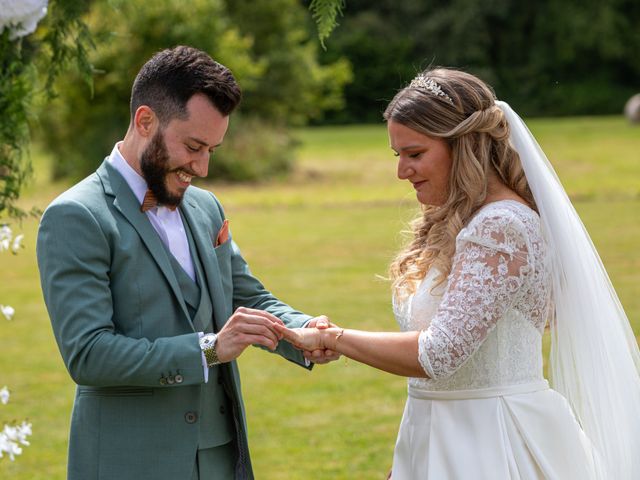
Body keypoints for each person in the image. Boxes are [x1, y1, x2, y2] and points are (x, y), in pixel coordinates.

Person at [277, 68, 640, 479]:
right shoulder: (459, 221)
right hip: (432, 428)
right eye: (398, 156)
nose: (402, 172)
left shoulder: (502, 226)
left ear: (464, 145)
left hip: (493, 439)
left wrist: (333, 338)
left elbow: (440, 353)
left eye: (415, 154)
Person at [36, 45, 337, 480]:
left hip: (218, 457)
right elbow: (88, 353)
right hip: (130, 462)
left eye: (212, 149)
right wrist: (209, 349)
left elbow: (246, 296)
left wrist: (304, 330)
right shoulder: (76, 216)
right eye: (194, 146)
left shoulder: (205, 207)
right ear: (145, 121)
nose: (203, 166)